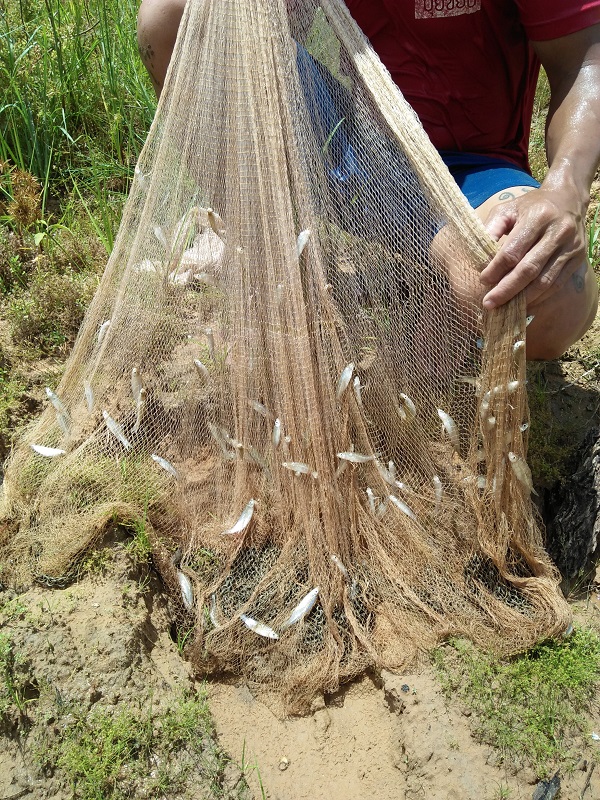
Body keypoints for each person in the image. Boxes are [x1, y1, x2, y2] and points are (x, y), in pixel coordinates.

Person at [137, 0, 600, 360]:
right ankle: (266, 247)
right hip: (354, 146)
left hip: (472, 172)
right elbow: (260, 29)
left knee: (553, 301)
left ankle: (443, 286)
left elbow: (584, 60)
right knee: (174, 17)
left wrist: (563, 188)